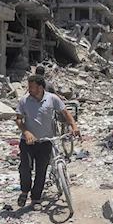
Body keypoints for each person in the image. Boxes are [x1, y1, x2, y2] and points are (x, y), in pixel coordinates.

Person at [15, 75, 80, 210]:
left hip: (45, 142)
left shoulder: (52, 99)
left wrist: (74, 126)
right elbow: (19, 119)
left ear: (40, 87)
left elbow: (66, 113)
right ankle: (24, 191)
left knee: (41, 171)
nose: (29, 90)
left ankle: (36, 199)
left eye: (31, 87)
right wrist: (26, 132)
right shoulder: (24, 101)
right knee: (25, 168)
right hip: (27, 142)